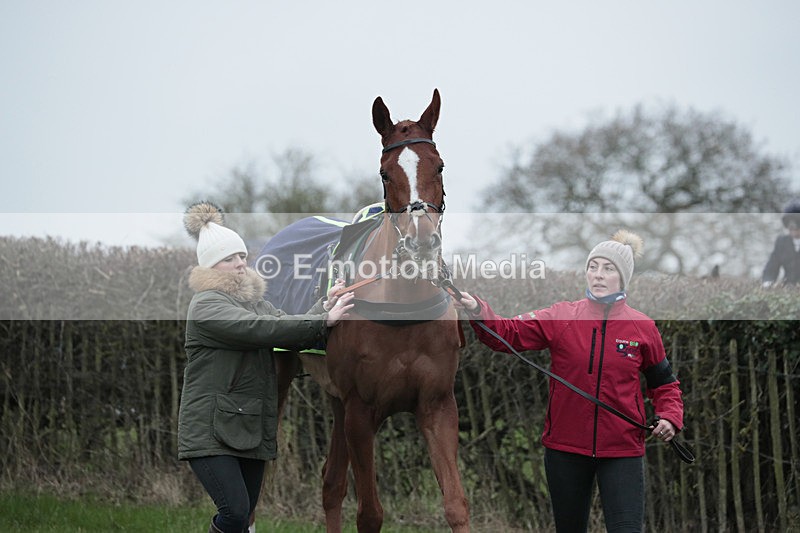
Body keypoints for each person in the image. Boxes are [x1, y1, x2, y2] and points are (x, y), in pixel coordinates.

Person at [454, 230, 684, 533]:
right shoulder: (562, 316)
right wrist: (478, 310)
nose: (598, 275)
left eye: (608, 268)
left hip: (622, 451)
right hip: (565, 450)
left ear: (623, 278)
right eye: (593, 267)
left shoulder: (643, 328)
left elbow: (665, 385)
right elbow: (507, 333)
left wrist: (669, 417)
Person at [178, 201, 354, 533]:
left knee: (242, 518)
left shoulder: (255, 302)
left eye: (242, 256)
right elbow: (263, 329)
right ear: (212, 267)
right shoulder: (207, 305)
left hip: (245, 426)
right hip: (210, 429)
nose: (241, 263)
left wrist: (325, 303)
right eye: (230, 259)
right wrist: (323, 319)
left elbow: (283, 320)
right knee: (234, 514)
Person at [762, 199, 800, 287]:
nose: (792, 227)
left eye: (797, 222)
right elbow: (771, 267)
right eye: (788, 222)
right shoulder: (782, 242)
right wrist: (768, 282)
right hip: (788, 288)